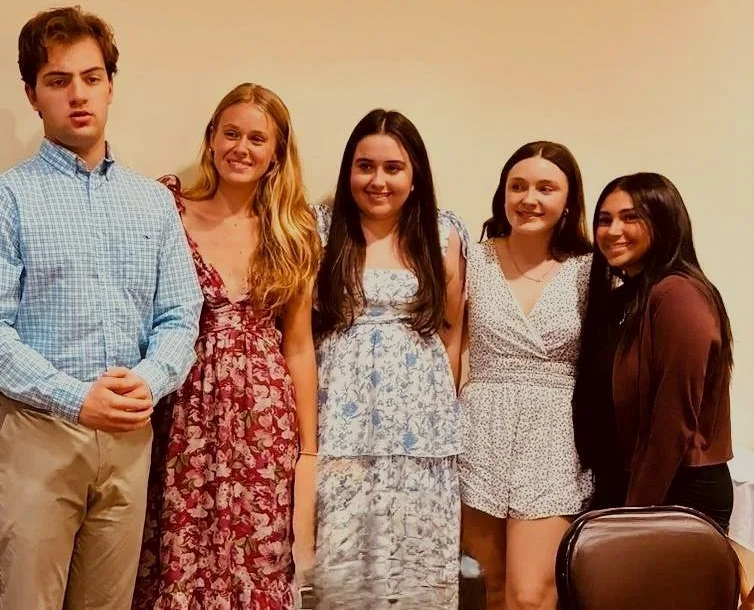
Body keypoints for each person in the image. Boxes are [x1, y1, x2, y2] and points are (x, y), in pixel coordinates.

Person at [0, 5, 203, 609]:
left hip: (129, 435)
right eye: (58, 80)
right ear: (32, 94)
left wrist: (147, 381)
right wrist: (77, 398)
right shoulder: (4, 200)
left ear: (111, 86)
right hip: (37, 435)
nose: (78, 95)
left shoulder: (152, 203)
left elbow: (180, 314)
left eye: (92, 78)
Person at [134, 83, 321, 609]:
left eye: (257, 139)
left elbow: (300, 346)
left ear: (276, 153)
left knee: (256, 558)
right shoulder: (168, 208)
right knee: (178, 551)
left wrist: (308, 448)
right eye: (231, 133)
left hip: (264, 422)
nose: (242, 148)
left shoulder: (294, 229)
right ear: (211, 139)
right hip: (182, 408)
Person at [311, 108, 467, 609]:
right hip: (339, 426)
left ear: (414, 173)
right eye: (365, 166)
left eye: (393, 168)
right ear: (348, 170)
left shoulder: (442, 235)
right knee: (339, 572)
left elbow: (452, 334)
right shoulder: (318, 229)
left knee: (416, 573)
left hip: (421, 434)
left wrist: (443, 414)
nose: (378, 181)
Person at [459, 141, 593, 610]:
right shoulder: (470, 259)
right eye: (517, 186)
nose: (529, 199)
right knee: (491, 588)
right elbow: (449, 347)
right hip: (480, 428)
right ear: (502, 194)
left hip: (553, 434)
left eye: (545, 187)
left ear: (569, 199)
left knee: (532, 594)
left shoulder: (590, 270)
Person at [573, 172, 733, 530]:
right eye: (604, 219)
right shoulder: (624, 301)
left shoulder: (678, 294)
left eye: (631, 217)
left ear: (663, 220)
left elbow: (672, 421)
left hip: (677, 490)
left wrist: (635, 513)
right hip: (631, 484)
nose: (613, 231)